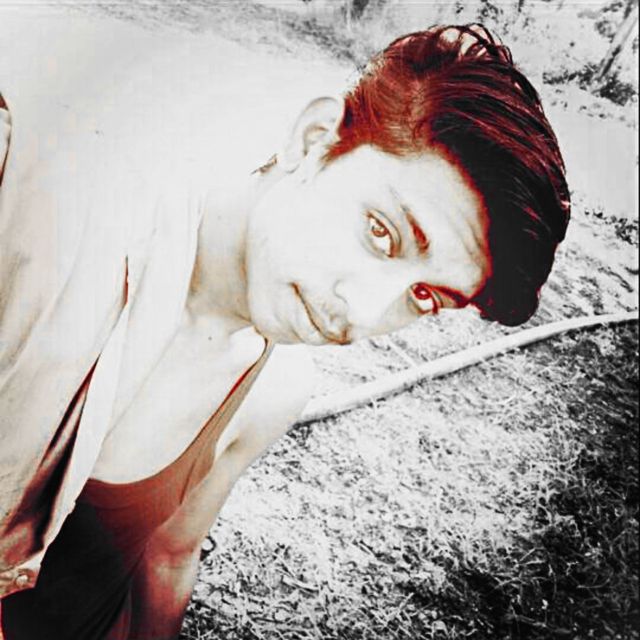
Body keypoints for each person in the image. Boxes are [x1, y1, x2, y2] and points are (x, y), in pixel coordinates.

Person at [0, 16, 570, 640]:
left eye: (424, 296)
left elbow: (170, 554)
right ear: (314, 140)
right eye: (381, 233)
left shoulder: (273, 389)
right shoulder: (52, 221)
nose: (362, 312)